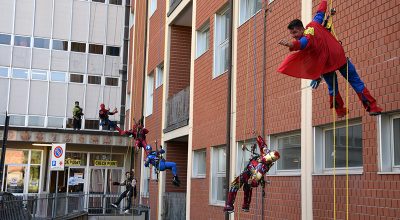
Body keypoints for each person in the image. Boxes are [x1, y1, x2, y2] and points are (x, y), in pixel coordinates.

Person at [277, 0, 382, 117]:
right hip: (337, 59)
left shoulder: (308, 34)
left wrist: (291, 45)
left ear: (301, 29)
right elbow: (320, 12)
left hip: (331, 63)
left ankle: (341, 111)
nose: (294, 36)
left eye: (295, 32)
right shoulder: (314, 24)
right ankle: (371, 107)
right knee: (353, 83)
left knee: (336, 88)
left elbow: (303, 42)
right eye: (291, 34)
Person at [224, 136, 280, 213]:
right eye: (267, 156)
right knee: (239, 186)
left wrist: (252, 182)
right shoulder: (266, 153)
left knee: (245, 187)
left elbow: (257, 178)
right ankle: (234, 205)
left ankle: (235, 205)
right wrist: (257, 136)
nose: (266, 158)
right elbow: (262, 144)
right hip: (247, 172)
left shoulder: (264, 167)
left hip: (251, 175)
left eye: (268, 158)